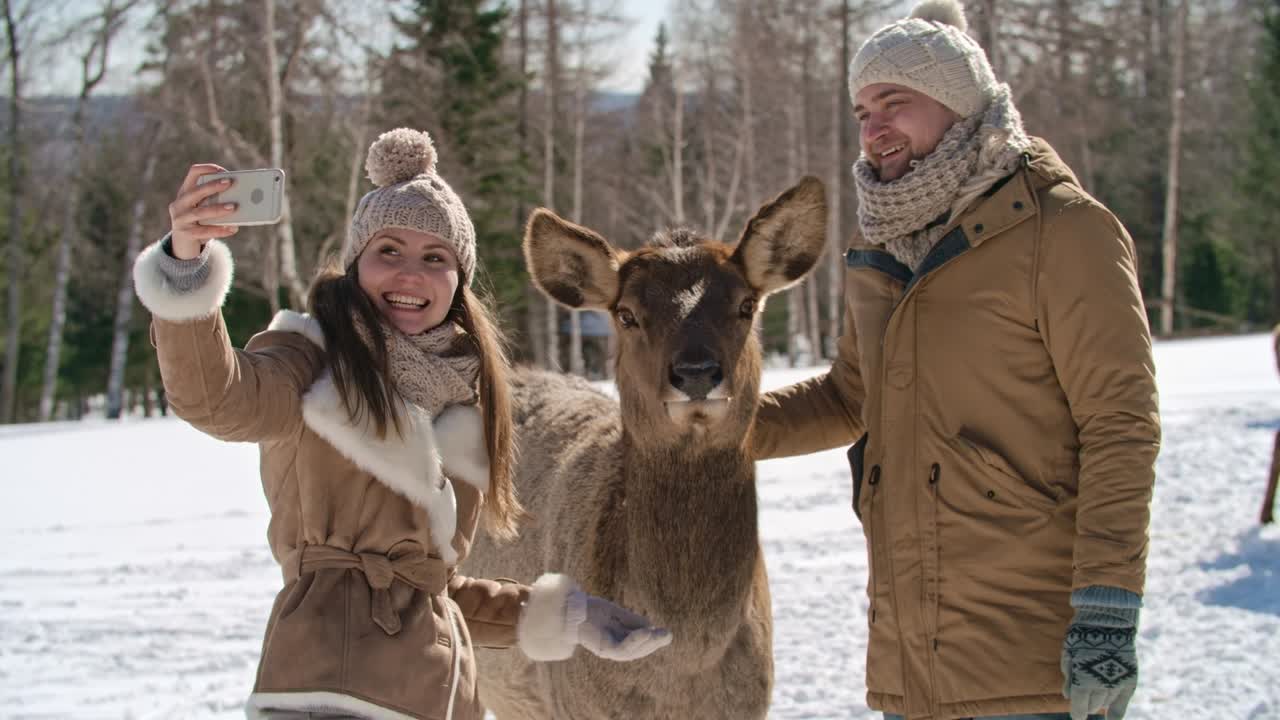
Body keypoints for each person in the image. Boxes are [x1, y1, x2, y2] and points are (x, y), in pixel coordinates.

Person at [132, 128, 671, 720]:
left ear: (458, 280)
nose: (410, 275)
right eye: (388, 250)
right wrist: (185, 270)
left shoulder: (465, 402)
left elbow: (428, 594)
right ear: (357, 263)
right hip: (326, 693)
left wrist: (569, 617)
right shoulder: (310, 359)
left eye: (434, 258)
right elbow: (219, 400)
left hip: (439, 699)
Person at [751, 2, 1160, 719]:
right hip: (915, 660)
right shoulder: (884, 243)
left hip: (1031, 658)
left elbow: (1120, 424)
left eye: (894, 102)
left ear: (959, 102)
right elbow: (851, 399)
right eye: (861, 111)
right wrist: (706, 429)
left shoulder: (1063, 231)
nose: (874, 128)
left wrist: (1107, 606)